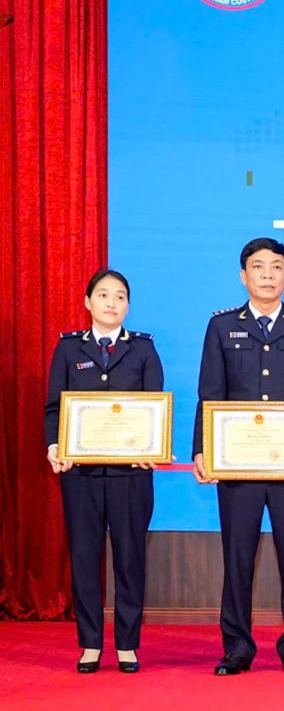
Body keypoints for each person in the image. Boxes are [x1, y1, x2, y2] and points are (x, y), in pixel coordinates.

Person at [192, 238, 284, 676]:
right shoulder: (221, 326)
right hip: (238, 465)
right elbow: (209, 395)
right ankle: (236, 647)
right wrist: (203, 449)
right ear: (243, 276)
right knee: (237, 558)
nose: (267, 275)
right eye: (258, 267)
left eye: (276, 267)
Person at [45, 269, 162, 674]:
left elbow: (156, 408)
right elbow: (54, 409)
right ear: (87, 302)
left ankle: (128, 644)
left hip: (131, 475)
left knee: (130, 559)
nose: (112, 303)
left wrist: (154, 446)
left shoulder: (144, 350)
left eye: (120, 297)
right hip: (82, 476)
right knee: (84, 557)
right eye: (104, 295)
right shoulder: (68, 349)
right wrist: (55, 446)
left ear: (128, 305)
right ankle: (90, 643)